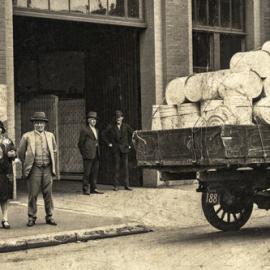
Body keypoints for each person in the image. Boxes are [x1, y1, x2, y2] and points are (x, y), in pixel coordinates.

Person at [18, 112, 57, 227]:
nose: (39, 125)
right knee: (33, 194)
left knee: (48, 194)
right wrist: (27, 163)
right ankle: (31, 217)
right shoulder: (27, 136)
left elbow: (54, 150)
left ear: (45, 124)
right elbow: (20, 152)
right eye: (37, 123)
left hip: (47, 168)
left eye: (41, 123)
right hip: (34, 168)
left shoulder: (50, 136)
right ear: (33, 124)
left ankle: (49, 216)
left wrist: (52, 164)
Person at [102, 110, 133, 191]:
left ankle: (127, 185)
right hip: (116, 150)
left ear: (122, 118)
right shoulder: (111, 127)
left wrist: (130, 144)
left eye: (119, 117)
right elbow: (103, 134)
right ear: (115, 119)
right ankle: (116, 186)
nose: (118, 119)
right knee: (116, 167)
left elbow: (133, 134)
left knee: (125, 168)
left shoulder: (126, 126)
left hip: (125, 149)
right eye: (117, 117)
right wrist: (108, 143)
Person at [78, 111, 103, 195]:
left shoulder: (97, 130)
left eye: (95, 120)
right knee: (87, 173)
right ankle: (85, 189)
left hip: (96, 154)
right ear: (88, 120)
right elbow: (80, 144)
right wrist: (84, 154)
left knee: (95, 172)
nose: (94, 121)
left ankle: (94, 188)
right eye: (92, 119)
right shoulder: (84, 130)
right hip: (88, 155)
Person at [0, 121, 16, 229]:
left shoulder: (7, 141)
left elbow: (14, 152)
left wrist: (13, 154)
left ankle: (5, 219)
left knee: (4, 197)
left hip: (5, 172)